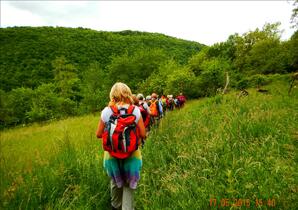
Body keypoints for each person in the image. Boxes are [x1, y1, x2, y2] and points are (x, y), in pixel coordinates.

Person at [96, 82, 146, 210]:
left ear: (112, 95)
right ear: (128, 93)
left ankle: (115, 206)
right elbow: (143, 133)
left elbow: (98, 134)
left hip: (111, 155)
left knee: (115, 181)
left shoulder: (106, 112)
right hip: (132, 154)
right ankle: (127, 208)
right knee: (128, 185)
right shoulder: (135, 110)